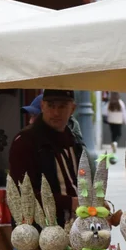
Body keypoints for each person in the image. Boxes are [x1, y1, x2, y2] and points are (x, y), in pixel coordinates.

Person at [8, 89, 82, 226]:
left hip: (73, 228)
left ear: (72, 109)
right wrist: (70, 202)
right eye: (51, 106)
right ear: (42, 106)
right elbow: (23, 194)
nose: (56, 112)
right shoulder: (26, 141)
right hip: (37, 234)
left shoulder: (72, 139)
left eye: (62, 106)